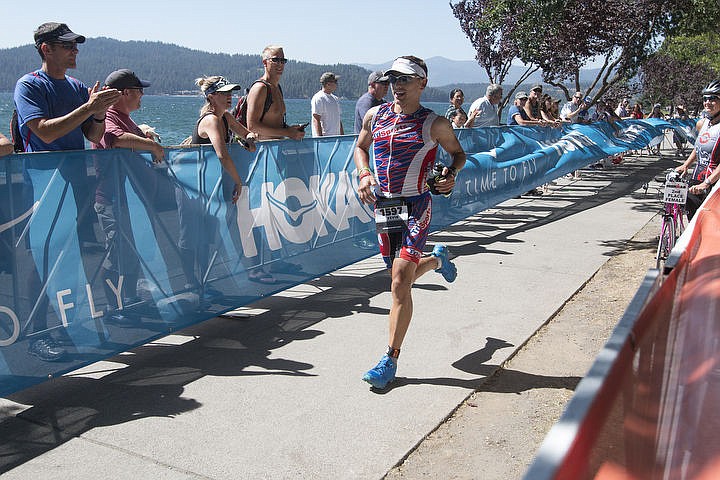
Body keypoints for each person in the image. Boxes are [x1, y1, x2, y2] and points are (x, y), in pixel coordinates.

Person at [354, 55, 466, 389]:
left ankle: (389, 359)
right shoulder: (376, 114)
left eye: (405, 80)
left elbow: (458, 155)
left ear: (422, 83)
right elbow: (360, 146)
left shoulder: (436, 123)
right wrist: (363, 174)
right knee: (399, 276)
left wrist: (451, 174)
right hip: (385, 206)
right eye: (393, 80)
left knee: (400, 279)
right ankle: (436, 260)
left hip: (417, 204)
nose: (397, 86)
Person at [14, 22, 122, 361]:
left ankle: (66, 324)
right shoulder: (30, 84)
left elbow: (92, 135)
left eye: (76, 45)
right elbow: (44, 133)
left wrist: (99, 111)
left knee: (70, 256)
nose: (75, 50)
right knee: (41, 259)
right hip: (44, 184)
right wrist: (88, 109)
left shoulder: (75, 86)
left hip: (76, 182)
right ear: (46, 49)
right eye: (67, 45)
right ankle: (36, 334)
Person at [91, 69, 163, 325]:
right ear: (125, 94)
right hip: (111, 199)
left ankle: (129, 299)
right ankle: (112, 308)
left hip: (129, 201)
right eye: (139, 91)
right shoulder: (110, 115)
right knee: (116, 254)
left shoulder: (126, 117)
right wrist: (152, 146)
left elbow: (129, 136)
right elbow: (112, 138)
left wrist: (144, 136)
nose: (142, 96)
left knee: (130, 253)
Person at [179, 75, 258, 289]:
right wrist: (238, 181)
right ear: (211, 97)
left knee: (206, 237)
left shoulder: (225, 117)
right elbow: (222, 154)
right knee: (190, 236)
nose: (230, 97)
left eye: (231, 93)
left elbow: (245, 132)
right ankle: (190, 282)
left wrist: (249, 139)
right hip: (192, 186)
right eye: (224, 94)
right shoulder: (211, 120)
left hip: (209, 187)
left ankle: (202, 282)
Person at [675, 80, 720, 220]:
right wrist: (686, 164)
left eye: (713, 98)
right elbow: (698, 147)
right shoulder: (702, 123)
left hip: (714, 180)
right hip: (698, 176)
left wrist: (707, 183)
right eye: (705, 99)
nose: (707, 102)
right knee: (692, 217)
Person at [246, 45, 306, 140]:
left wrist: (291, 130)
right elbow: (252, 126)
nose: (280, 64)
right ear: (265, 62)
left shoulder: (277, 88)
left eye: (283, 61)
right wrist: (287, 132)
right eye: (275, 60)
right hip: (263, 150)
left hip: (276, 149)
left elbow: (274, 122)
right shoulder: (260, 88)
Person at [311, 72, 344, 137]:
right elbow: (316, 119)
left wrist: (342, 137)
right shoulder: (318, 98)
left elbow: (338, 120)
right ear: (328, 84)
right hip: (325, 140)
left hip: (336, 139)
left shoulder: (335, 98)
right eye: (335, 82)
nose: (337, 84)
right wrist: (320, 139)